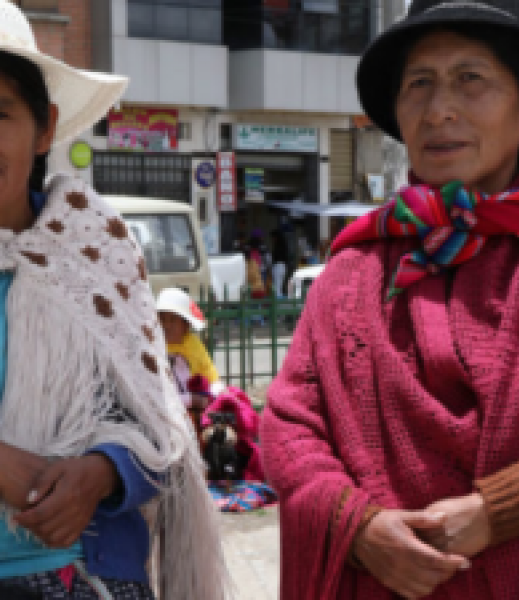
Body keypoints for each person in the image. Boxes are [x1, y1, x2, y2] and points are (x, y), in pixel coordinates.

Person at [0, 2, 227, 600]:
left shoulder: (94, 247)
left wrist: (103, 472)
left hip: (98, 575)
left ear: (44, 127)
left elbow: (158, 427)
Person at [261, 0, 519, 599]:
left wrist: (496, 512)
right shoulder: (355, 266)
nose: (439, 110)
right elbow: (290, 423)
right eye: (419, 84)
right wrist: (358, 528)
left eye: (470, 79)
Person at [157, 287, 226, 409]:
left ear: (186, 324)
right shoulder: (153, 346)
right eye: (162, 319)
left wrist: (217, 393)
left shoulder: (194, 344)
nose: (166, 325)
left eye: (173, 319)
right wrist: (192, 400)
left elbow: (212, 377)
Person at [270, 227, 288, 298]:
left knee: (277, 287)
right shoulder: (284, 245)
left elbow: (274, 258)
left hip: (278, 266)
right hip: (283, 267)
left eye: (273, 237)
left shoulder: (277, 246)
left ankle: (277, 304)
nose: (272, 239)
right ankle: (279, 302)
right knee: (279, 286)